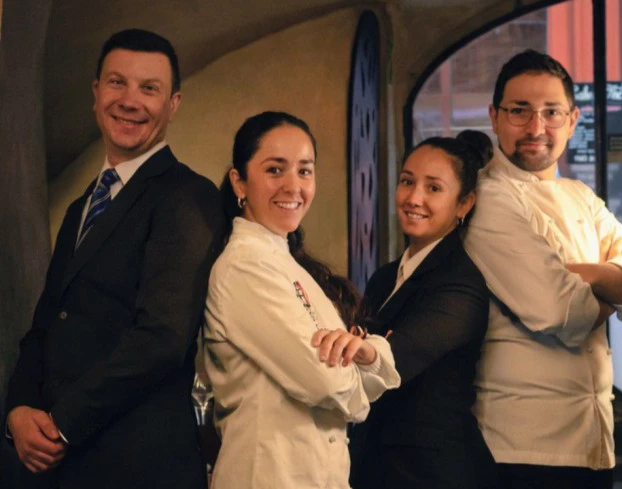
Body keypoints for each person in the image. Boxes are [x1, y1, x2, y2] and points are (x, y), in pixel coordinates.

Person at [4, 29, 223, 488]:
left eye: (150, 88)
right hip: (61, 467)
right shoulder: (78, 208)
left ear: (174, 104)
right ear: (95, 93)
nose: (130, 100)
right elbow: (45, 325)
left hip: (138, 465)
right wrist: (18, 411)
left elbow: (162, 338)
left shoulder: (188, 196)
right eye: (117, 83)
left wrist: (62, 422)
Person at [462, 49, 622, 489]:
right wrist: (616, 284)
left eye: (551, 112)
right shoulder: (488, 198)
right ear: (494, 116)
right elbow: (557, 310)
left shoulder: (580, 195)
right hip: (522, 446)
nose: (535, 128)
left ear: (573, 119)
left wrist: (587, 275)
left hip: (592, 438)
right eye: (519, 111)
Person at [203, 111, 400, 489]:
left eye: (305, 171)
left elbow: (354, 369)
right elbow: (326, 383)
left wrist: (367, 354)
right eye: (275, 170)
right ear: (238, 181)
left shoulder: (289, 264)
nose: (293, 186)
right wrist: (362, 380)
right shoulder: (244, 268)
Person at [349, 131, 497, 489]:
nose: (414, 198)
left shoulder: (461, 285)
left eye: (433, 188)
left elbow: (395, 359)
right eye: (407, 182)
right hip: (380, 464)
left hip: (433, 470)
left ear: (464, 204)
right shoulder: (386, 276)